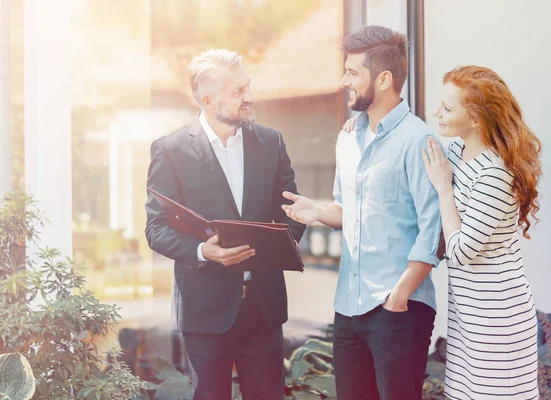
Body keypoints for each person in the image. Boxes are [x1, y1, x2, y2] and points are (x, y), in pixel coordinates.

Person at [282, 26, 442, 400]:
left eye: (353, 72)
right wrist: (319, 212)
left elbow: (433, 231)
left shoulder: (418, 140)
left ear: (384, 78)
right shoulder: (348, 137)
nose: (343, 81)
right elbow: (347, 208)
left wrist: (398, 296)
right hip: (349, 309)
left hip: (398, 310)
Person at [145, 48, 305, 400]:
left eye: (247, 86)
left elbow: (292, 212)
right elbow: (155, 229)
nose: (249, 97)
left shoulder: (271, 141)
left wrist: (276, 249)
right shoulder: (170, 150)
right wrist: (204, 251)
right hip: (205, 311)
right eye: (237, 92)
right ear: (206, 99)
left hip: (264, 308)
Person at [422, 65, 541, 399]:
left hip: (496, 317)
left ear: (474, 118)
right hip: (467, 313)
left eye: (447, 108)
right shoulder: (457, 152)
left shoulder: (494, 174)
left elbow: (460, 252)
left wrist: (445, 190)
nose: (437, 114)